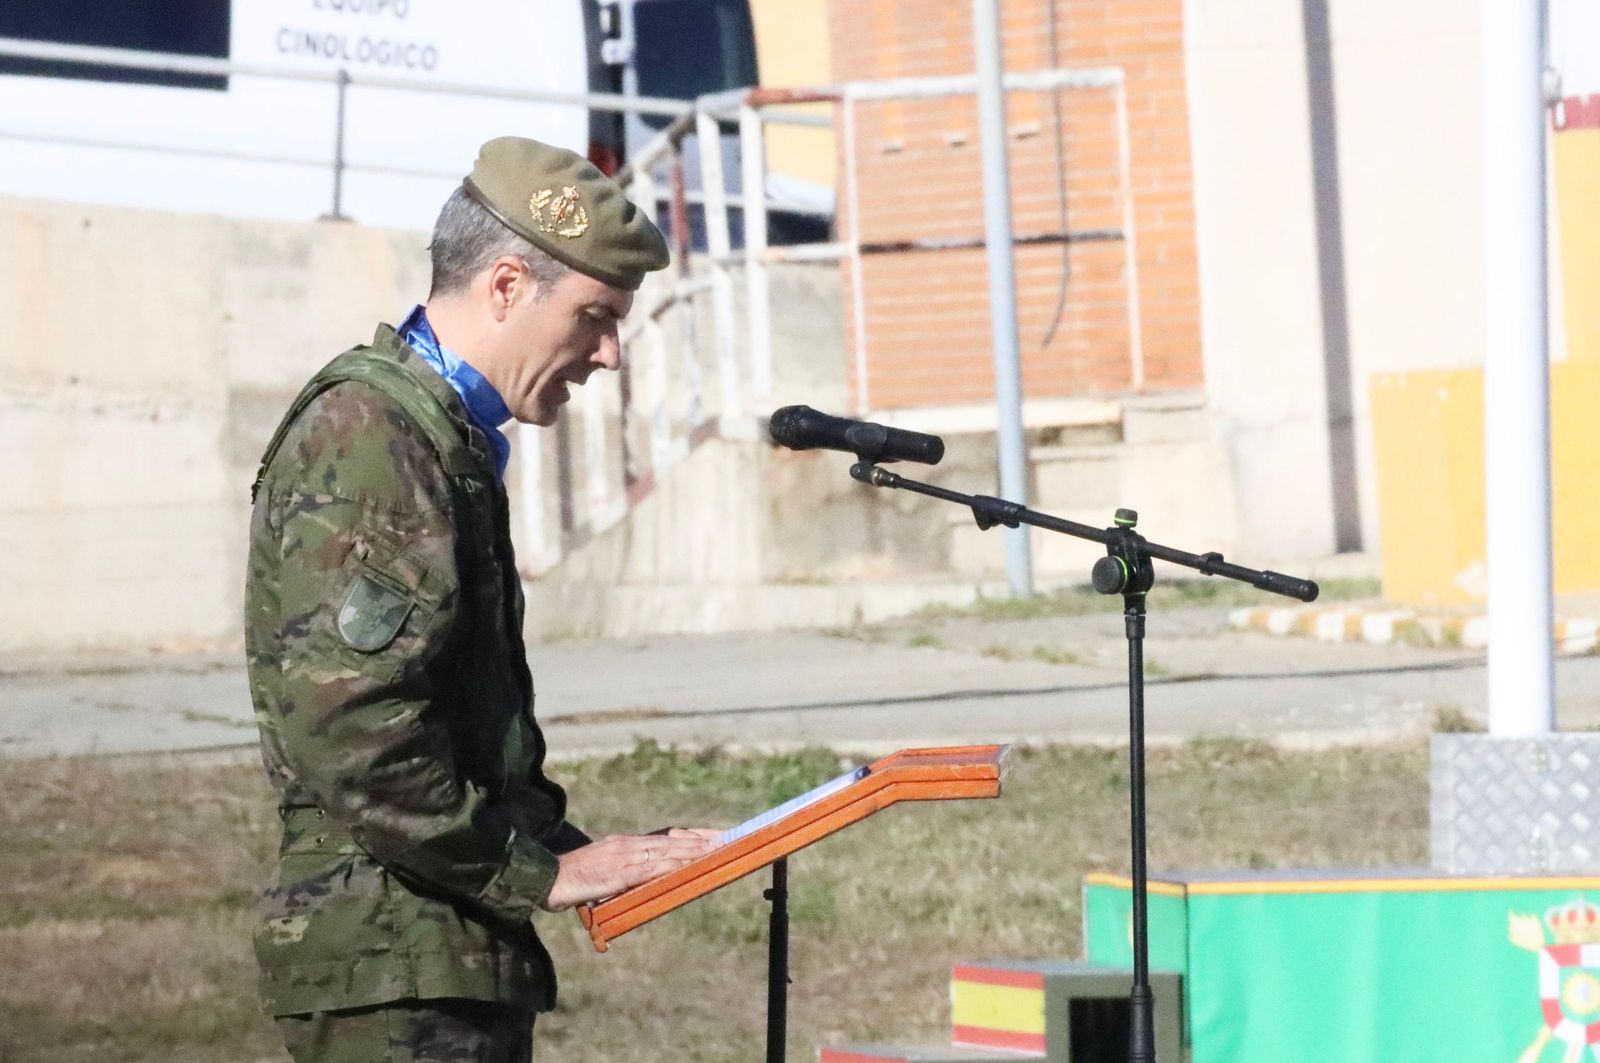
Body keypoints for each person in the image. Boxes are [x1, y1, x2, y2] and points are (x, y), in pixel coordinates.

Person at [244, 136, 718, 1063]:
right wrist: (533, 871)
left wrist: (589, 854)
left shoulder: (436, 436)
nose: (609, 354)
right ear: (506, 285)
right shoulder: (373, 436)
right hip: (396, 964)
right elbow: (354, 730)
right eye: (593, 316)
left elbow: (458, 725)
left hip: (430, 953)